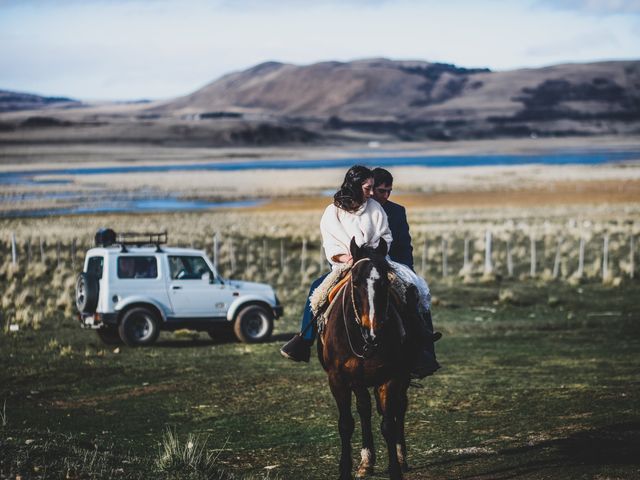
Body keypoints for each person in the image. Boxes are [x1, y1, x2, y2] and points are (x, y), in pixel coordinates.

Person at [280, 165, 440, 378]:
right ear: (355, 185)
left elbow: (385, 234)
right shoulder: (333, 211)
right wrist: (343, 256)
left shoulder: (375, 208)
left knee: (411, 289)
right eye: (369, 187)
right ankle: (304, 339)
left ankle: (421, 346)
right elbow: (331, 239)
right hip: (345, 263)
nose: (372, 192)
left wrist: (374, 254)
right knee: (317, 290)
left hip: (377, 260)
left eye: (375, 188)